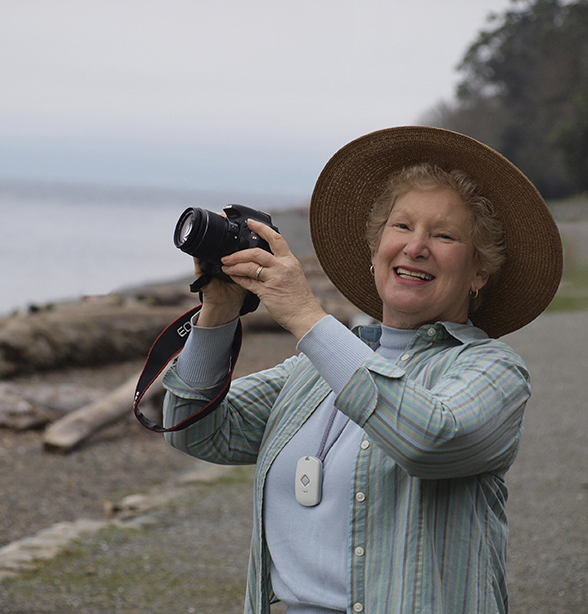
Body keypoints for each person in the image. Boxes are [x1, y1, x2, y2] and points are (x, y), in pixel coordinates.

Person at [160, 126, 563, 614]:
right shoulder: (313, 370)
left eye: (444, 235)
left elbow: (430, 438)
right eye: (401, 227)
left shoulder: (493, 370)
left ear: (479, 272)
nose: (416, 247)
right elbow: (194, 428)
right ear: (375, 251)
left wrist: (307, 317)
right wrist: (219, 310)